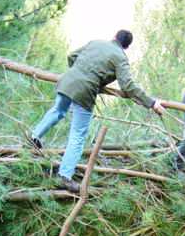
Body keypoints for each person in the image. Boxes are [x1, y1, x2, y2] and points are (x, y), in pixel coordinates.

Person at [31, 29, 165, 193]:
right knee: (78, 135)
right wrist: (151, 103)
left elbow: (72, 56)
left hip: (67, 82)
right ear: (126, 47)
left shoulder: (95, 43)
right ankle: (64, 176)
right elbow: (127, 86)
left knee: (58, 110)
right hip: (85, 92)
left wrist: (80, 73)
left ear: (114, 37)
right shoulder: (120, 57)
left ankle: (34, 137)